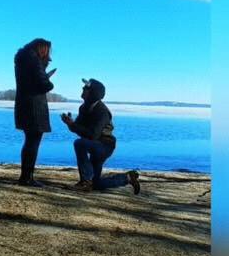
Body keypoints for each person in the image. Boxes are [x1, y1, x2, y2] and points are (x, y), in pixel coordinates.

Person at [61, 78, 140, 194]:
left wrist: (74, 125)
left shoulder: (102, 111)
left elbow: (93, 134)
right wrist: (70, 124)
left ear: (93, 93)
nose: (83, 89)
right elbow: (81, 130)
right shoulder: (83, 108)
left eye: (86, 88)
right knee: (96, 184)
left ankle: (85, 182)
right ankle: (127, 178)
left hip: (105, 146)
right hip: (95, 144)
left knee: (79, 143)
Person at [14, 38, 56, 187]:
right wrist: (48, 79)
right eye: (47, 51)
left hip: (24, 105)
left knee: (29, 141)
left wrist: (42, 69)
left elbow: (31, 80)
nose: (48, 54)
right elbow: (43, 84)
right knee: (33, 141)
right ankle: (27, 178)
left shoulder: (22, 59)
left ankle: (25, 176)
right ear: (42, 48)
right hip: (34, 107)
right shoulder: (33, 60)